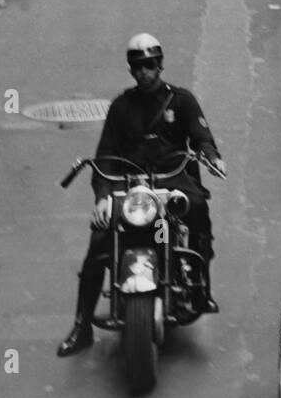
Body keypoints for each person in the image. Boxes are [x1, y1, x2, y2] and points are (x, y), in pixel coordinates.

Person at [57, 33, 227, 356]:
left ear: (160, 64)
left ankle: (200, 285)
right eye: (138, 66)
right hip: (131, 185)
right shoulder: (121, 106)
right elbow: (105, 156)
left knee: (198, 208)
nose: (145, 71)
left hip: (174, 179)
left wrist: (211, 157)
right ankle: (82, 326)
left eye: (150, 64)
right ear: (131, 70)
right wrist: (103, 196)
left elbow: (203, 137)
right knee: (99, 239)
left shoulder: (182, 100)